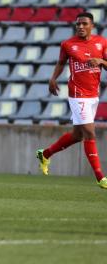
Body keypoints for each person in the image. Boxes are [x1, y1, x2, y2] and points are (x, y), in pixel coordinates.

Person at [36, 12, 107, 189]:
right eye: (78, 24)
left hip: (93, 94)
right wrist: (53, 78)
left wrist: (100, 61)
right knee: (90, 133)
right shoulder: (68, 44)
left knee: (77, 135)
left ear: (92, 25)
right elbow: (61, 63)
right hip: (77, 94)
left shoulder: (101, 42)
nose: (80, 27)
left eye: (84, 24)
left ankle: (45, 154)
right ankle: (100, 177)